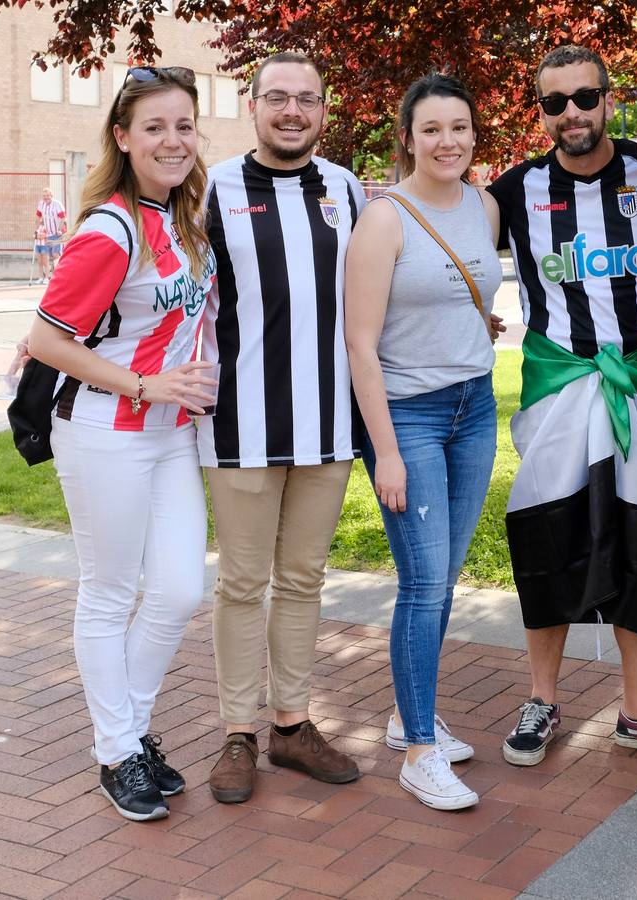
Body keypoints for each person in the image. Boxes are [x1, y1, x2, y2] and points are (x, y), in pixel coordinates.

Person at [486, 45, 637, 767]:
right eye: (554, 103)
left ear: (610, 99)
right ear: (540, 113)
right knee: (546, 538)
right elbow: (454, 254)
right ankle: (543, 697)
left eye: (585, 97)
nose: (571, 113)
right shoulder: (512, 192)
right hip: (556, 385)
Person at [25, 66, 217, 821]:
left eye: (184, 126)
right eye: (155, 128)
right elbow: (45, 339)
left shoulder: (179, 215)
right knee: (109, 593)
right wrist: (144, 385)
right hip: (107, 430)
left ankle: (129, 734)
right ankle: (118, 751)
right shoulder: (110, 228)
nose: (172, 141)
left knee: (177, 590)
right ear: (123, 138)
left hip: (170, 433)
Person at [198, 51, 366, 803]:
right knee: (241, 582)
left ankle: (291, 727)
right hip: (239, 424)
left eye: (306, 99)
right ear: (254, 105)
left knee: (301, 579)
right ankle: (237, 731)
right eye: (278, 98)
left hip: (329, 423)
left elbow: (377, 290)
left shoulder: (348, 189)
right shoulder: (212, 190)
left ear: (324, 109)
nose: (292, 111)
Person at [345, 73, 502, 811]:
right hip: (409, 415)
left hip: (476, 406)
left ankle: (410, 711)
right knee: (424, 581)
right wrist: (389, 453)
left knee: (444, 573)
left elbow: (466, 293)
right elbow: (361, 345)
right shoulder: (384, 219)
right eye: (433, 129)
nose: (449, 142)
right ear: (407, 138)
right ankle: (418, 752)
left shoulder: (484, 203)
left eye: (461, 128)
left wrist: (477, 327)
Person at [36, 186, 67, 279]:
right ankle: (56, 272)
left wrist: (59, 229)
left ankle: (58, 276)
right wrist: (38, 229)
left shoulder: (57, 204)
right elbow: (38, 217)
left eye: (47, 195)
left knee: (55, 254)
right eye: (44, 196)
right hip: (47, 234)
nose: (46, 197)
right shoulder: (41, 204)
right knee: (50, 256)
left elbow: (63, 218)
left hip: (57, 234)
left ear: (51, 196)